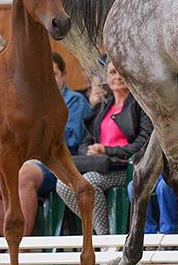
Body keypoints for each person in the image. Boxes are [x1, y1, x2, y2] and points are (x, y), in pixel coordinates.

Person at [0, 53, 77, 236]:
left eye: (53, 74)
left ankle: (22, 244)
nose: (47, 80)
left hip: (56, 163)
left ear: (63, 75)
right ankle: (13, 241)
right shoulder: (26, 101)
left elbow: (72, 138)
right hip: (23, 160)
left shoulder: (74, 100)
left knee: (23, 174)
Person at [56, 62, 153, 234]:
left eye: (122, 72)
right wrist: (89, 151)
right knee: (63, 184)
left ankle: (104, 239)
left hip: (125, 167)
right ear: (106, 78)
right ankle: (103, 234)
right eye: (112, 72)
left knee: (90, 183)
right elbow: (86, 139)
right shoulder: (103, 105)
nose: (117, 77)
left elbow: (143, 143)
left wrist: (107, 150)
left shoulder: (140, 104)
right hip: (99, 164)